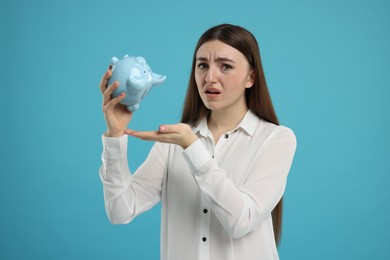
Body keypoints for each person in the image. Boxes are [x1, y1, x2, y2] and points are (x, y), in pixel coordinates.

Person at [99, 24, 296, 260]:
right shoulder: (173, 142)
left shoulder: (276, 139)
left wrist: (192, 148)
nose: (210, 77)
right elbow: (120, 210)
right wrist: (115, 136)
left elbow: (242, 221)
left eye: (225, 66)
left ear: (251, 78)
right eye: (202, 65)